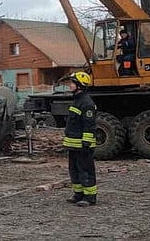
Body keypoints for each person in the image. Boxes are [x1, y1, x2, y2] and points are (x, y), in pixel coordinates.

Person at [61, 71, 98, 207]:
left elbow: (89, 125)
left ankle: (90, 197)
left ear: (80, 85)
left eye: (72, 83)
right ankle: (79, 194)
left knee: (86, 169)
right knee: (74, 169)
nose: (70, 85)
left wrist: (86, 142)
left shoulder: (86, 103)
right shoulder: (77, 100)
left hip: (83, 145)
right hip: (74, 144)